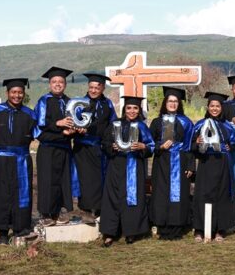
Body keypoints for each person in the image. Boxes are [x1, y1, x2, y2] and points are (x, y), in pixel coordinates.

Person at [0, 78, 38, 245]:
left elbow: (41, 133)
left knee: (22, 194)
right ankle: (3, 233)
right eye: (13, 92)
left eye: (20, 92)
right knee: (1, 196)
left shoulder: (29, 114)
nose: (17, 95)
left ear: (24, 94)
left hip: (22, 159)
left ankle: (20, 229)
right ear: (7, 93)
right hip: (0, 160)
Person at [100, 96, 154, 246]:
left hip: (134, 166)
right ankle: (110, 233)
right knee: (113, 198)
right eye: (129, 108)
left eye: (135, 108)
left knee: (133, 197)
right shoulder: (115, 124)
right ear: (124, 109)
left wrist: (143, 147)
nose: (132, 111)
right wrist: (112, 147)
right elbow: (104, 143)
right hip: (116, 166)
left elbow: (152, 146)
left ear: (139, 110)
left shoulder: (142, 127)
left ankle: (131, 232)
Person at [191, 92, 235, 242]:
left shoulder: (227, 126)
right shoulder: (200, 124)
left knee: (222, 195)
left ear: (222, 108)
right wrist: (197, 142)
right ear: (207, 107)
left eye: (217, 106)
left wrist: (229, 146)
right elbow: (190, 146)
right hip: (206, 164)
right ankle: (200, 230)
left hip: (222, 164)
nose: (214, 108)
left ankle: (220, 230)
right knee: (202, 195)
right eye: (212, 106)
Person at [34, 66, 78, 226]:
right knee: (47, 180)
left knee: (62, 180)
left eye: (61, 81)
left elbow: (75, 121)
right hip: (48, 148)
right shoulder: (44, 101)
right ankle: (45, 213)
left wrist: (75, 129)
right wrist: (58, 124)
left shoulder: (70, 102)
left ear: (65, 84)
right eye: (54, 82)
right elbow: (39, 126)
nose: (58, 84)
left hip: (65, 148)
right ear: (49, 84)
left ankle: (60, 211)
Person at [149, 87, 194, 240]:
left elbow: (190, 145)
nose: (173, 104)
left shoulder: (186, 122)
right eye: (170, 101)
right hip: (162, 161)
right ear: (165, 103)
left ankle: (177, 229)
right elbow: (149, 143)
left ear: (179, 104)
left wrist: (190, 165)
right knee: (161, 193)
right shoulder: (156, 122)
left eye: (176, 101)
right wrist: (159, 146)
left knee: (179, 193)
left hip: (180, 160)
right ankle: (163, 227)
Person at [73, 72, 117, 223]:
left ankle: (99, 210)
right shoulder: (79, 103)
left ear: (103, 88)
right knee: (86, 180)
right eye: (91, 87)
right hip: (83, 148)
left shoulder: (108, 104)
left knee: (101, 179)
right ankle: (86, 211)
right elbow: (72, 122)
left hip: (101, 147)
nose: (93, 90)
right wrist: (76, 129)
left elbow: (113, 124)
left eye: (97, 88)